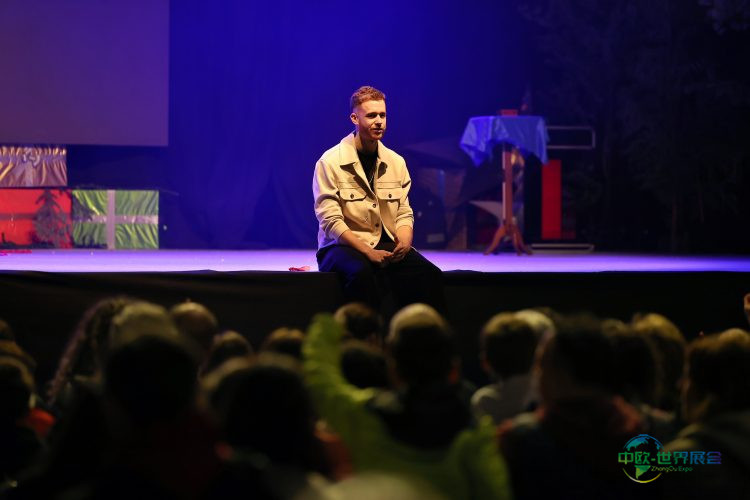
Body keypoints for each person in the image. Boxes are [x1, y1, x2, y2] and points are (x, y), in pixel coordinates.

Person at [312, 86, 445, 314]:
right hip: (340, 247)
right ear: (355, 118)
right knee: (362, 274)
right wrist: (367, 251)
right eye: (371, 115)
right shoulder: (330, 162)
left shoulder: (396, 162)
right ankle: (366, 333)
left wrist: (405, 240)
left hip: (385, 245)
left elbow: (403, 211)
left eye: (382, 115)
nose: (379, 122)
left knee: (429, 275)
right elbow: (330, 220)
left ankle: (424, 333)